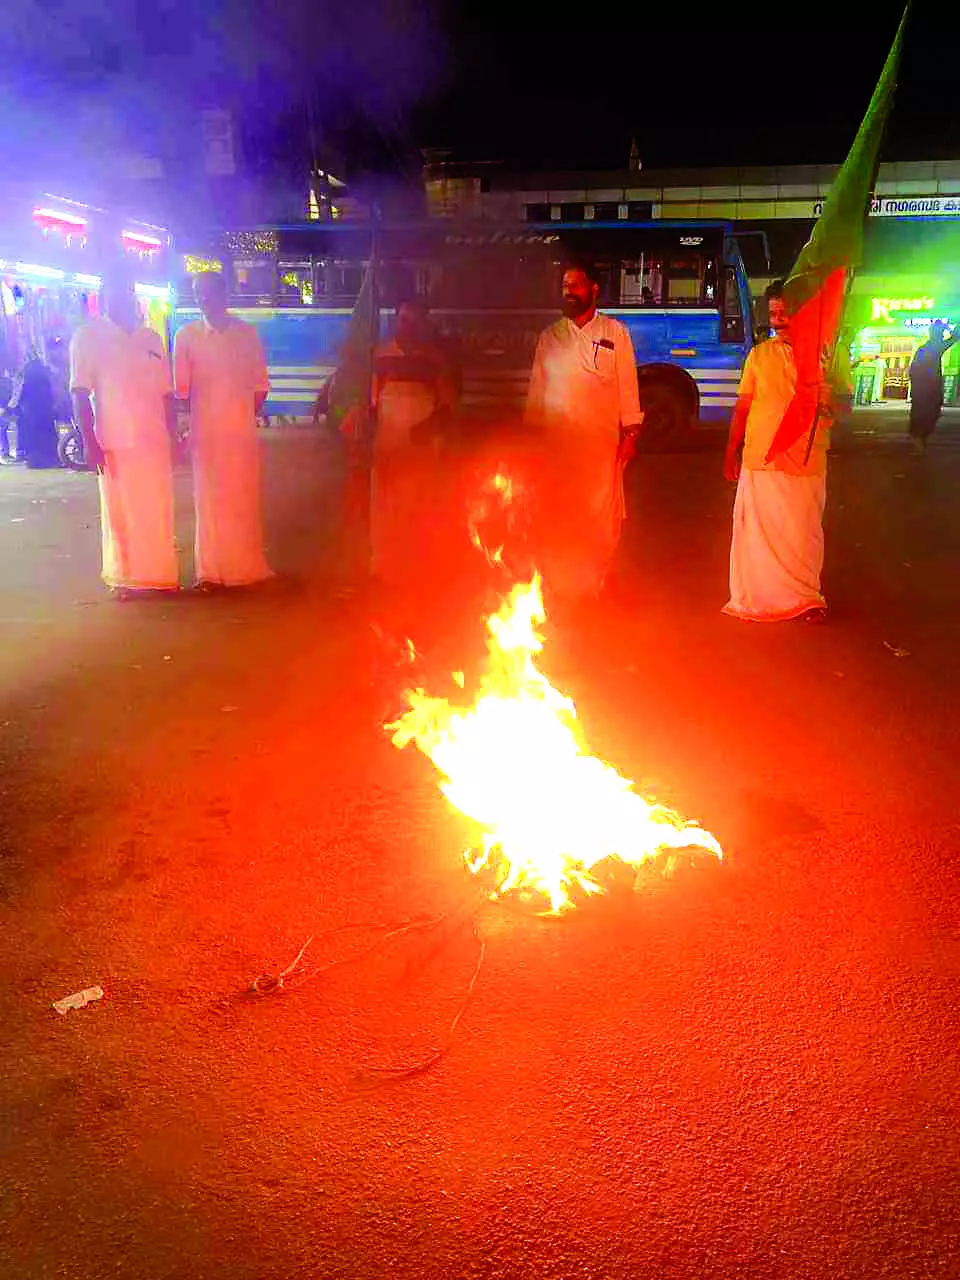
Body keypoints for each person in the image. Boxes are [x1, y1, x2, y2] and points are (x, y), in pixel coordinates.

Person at [525, 261, 643, 604]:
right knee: (559, 514)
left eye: (576, 285)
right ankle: (561, 585)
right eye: (565, 284)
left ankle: (596, 583)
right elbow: (537, 392)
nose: (568, 291)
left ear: (593, 289)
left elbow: (628, 387)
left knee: (602, 518)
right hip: (558, 448)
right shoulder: (550, 337)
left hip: (600, 447)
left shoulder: (615, 333)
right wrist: (531, 443)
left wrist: (631, 434)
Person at [722, 280, 829, 624]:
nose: (779, 319)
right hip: (760, 459)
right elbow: (743, 408)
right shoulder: (759, 355)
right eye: (773, 313)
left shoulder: (825, 353)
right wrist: (730, 451)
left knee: (802, 532)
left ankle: (805, 599)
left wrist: (830, 399)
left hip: (806, 459)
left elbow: (842, 406)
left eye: (785, 311)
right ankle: (760, 598)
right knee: (760, 535)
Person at [70, 274, 179, 601]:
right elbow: (78, 392)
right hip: (115, 441)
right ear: (104, 297)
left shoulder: (150, 337)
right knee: (122, 513)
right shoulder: (88, 336)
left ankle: (161, 577)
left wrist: (173, 436)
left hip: (154, 440)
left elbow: (166, 393)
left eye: (128, 292)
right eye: (116, 293)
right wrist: (89, 442)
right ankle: (127, 579)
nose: (123, 299)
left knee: (157, 510)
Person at [173, 270, 274, 591]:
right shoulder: (186, 337)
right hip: (205, 435)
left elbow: (260, 387)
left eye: (209, 291)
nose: (204, 298)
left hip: (239, 436)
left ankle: (246, 570)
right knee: (209, 503)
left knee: (242, 499)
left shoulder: (246, 334)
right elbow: (181, 392)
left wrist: (240, 417)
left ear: (223, 294)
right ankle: (210, 574)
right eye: (197, 292)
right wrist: (192, 428)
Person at [369, 297, 456, 587]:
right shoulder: (380, 356)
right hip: (387, 443)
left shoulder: (435, 360)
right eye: (404, 319)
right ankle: (384, 569)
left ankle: (418, 565)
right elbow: (370, 403)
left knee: (419, 504)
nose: (408, 325)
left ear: (424, 323)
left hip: (422, 446)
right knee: (385, 506)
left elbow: (447, 406)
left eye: (414, 320)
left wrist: (427, 431)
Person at [908, 321, 959, 455]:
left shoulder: (926, 348)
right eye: (941, 333)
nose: (943, 335)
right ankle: (919, 440)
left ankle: (920, 440)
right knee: (927, 415)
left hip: (925, 389)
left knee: (927, 415)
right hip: (926, 390)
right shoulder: (932, 347)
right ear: (935, 334)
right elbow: (953, 338)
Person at [7, 351, 59, 468]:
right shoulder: (44, 370)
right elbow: (52, 389)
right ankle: (52, 459)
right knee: (47, 433)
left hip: (30, 409)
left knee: (33, 435)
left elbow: (20, 390)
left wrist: (12, 406)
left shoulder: (25, 371)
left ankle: (35, 461)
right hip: (45, 407)